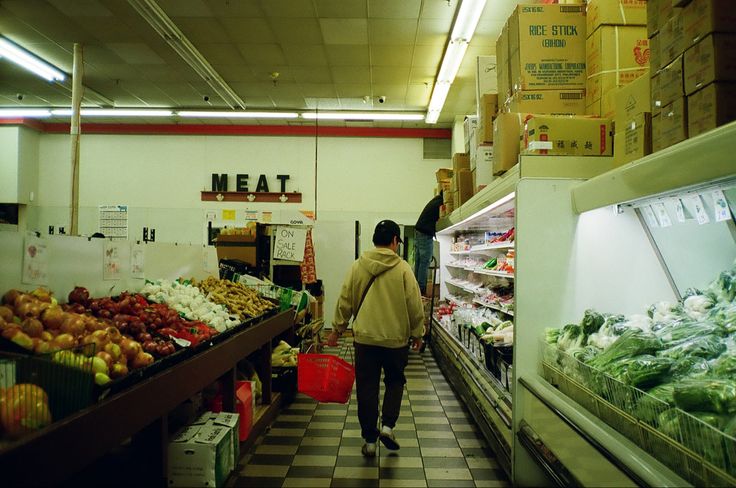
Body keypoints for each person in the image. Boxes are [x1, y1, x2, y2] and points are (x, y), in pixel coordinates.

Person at [327, 220, 425, 457]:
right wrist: (417, 333)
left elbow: (345, 300)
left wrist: (337, 329)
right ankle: (388, 427)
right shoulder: (403, 269)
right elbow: (415, 304)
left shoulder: (357, 266)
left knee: (367, 388)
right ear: (394, 241)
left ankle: (370, 441)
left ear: (374, 240)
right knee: (395, 381)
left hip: (365, 340)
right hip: (395, 341)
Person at [413, 191, 443, 296]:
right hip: (425, 233)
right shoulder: (441, 203)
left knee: (419, 261)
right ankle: (421, 290)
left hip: (419, 232)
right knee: (424, 263)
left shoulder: (434, 201)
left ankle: (415, 288)